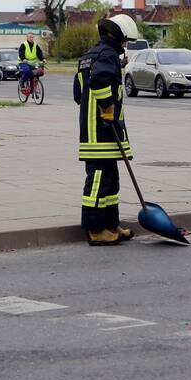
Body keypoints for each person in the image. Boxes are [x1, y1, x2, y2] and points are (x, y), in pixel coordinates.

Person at [72, 14, 141, 245]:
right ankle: (95, 229)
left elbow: (76, 94)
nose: (125, 45)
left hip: (99, 130)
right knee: (98, 180)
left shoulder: (88, 56)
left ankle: (111, 225)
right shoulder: (108, 55)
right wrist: (107, 107)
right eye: (125, 40)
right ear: (117, 36)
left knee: (110, 180)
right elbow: (99, 81)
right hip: (100, 131)